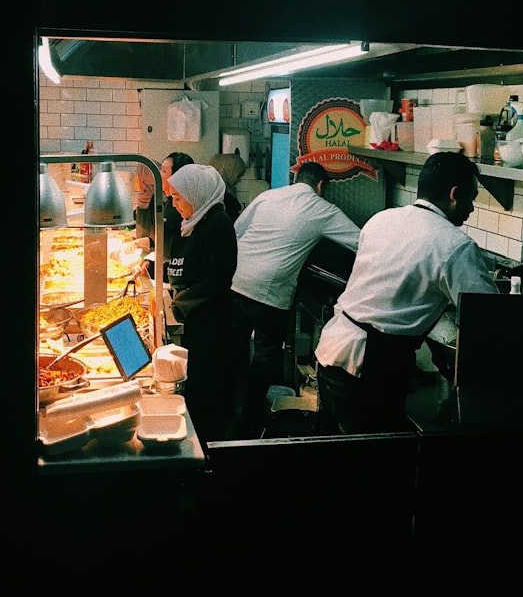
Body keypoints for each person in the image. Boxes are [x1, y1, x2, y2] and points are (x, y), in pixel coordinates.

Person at [314, 151, 499, 435]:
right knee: (379, 463)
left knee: (337, 455)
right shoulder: (456, 245)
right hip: (371, 365)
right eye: (471, 198)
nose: (472, 208)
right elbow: (487, 316)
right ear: (454, 194)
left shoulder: (381, 219)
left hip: (332, 351)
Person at [230, 160, 361, 437]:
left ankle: (230, 410)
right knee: (266, 354)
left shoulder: (268, 195)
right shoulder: (322, 208)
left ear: (295, 179)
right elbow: (361, 242)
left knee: (236, 348)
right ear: (321, 186)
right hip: (270, 292)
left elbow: (238, 230)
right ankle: (250, 420)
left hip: (236, 282)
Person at [164, 163, 241, 443]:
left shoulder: (218, 224)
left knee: (205, 394)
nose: (174, 205)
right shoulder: (193, 222)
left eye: (178, 198)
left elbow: (217, 279)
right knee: (198, 392)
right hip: (196, 322)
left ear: (195, 195)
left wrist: (181, 302)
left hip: (212, 325)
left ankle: (210, 454)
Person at [137, 151, 193, 279]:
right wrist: (150, 260)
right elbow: (162, 237)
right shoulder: (169, 201)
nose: (158, 174)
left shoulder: (185, 209)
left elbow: (176, 250)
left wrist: (155, 268)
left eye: (163, 171)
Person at [207, 152, 247, 223]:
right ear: (228, 172)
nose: (239, 180)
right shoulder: (218, 195)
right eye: (238, 176)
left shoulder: (227, 191)